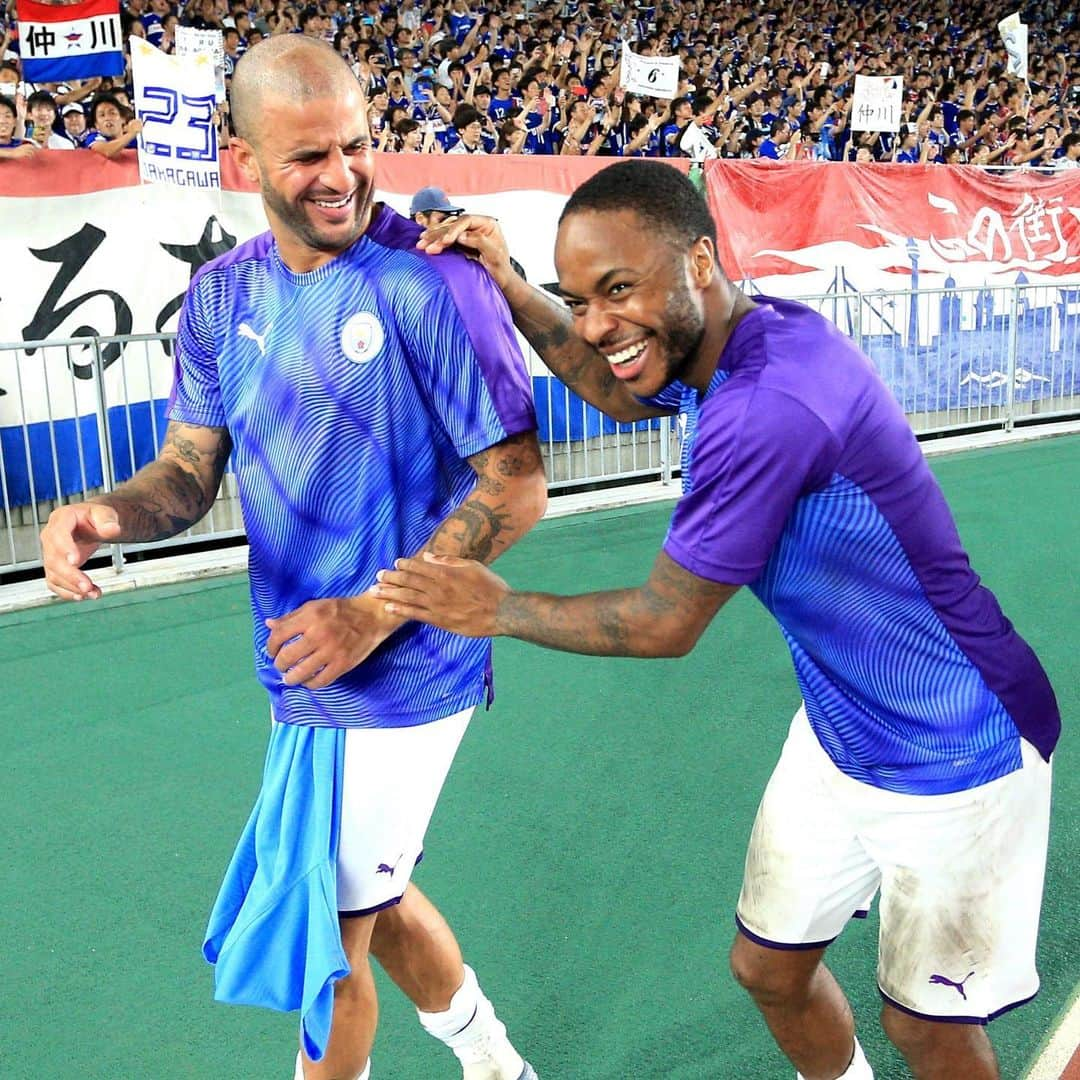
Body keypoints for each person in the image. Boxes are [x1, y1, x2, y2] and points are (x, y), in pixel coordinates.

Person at [374, 160, 1060, 1080]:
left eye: (617, 289)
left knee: (927, 1029)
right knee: (767, 969)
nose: (596, 322)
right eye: (582, 298)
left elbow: (665, 620)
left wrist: (499, 607)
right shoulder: (735, 339)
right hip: (843, 730)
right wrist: (510, 284)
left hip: (959, 746)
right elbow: (619, 383)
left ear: (698, 259)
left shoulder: (766, 407)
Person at [39, 35, 546, 1080]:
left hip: (409, 663)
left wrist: (373, 610)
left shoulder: (429, 281)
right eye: (309, 156)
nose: (344, 175)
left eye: (357, 146)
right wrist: (106, 513)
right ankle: (493, 1059)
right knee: (378, 894)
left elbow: (517, 484)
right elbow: (186, 471)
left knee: (331, 943)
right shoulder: (223, 297)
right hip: (303, 660)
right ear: (245, 159)